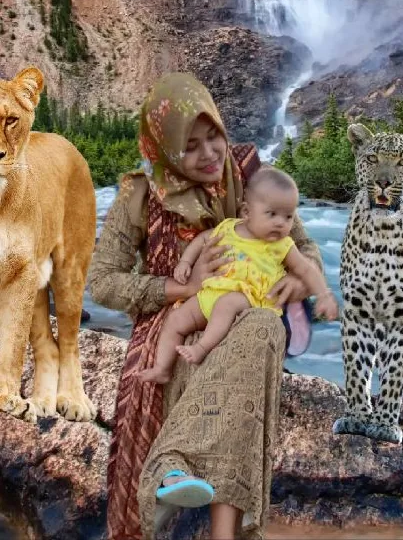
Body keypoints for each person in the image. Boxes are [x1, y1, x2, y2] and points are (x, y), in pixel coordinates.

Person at [89, 72, 324, 540]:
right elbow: (102, 282)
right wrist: (181, 287)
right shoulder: (138, 193)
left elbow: (306, 250)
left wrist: (298, 285)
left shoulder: (251, 175)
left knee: (261, 326)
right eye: (190, 144)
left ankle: (176, 468)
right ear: (165, 147)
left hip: (243, 312)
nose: (210, 153)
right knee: (230, 345)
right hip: (174, 322)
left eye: (213, 134)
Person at [138, 167, 337, 383]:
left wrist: (324, 294)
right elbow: (203, 239)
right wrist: (185, 262)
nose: (281, 223)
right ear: (246, 212)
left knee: (227, 304)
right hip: (211, 292)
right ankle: (162, 368)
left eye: (288, 216)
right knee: (175, 319)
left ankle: (202, 347)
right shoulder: (228, 228)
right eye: (272, 214)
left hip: (249, 300)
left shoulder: (283, 245)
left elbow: (306, 268)